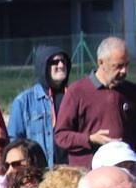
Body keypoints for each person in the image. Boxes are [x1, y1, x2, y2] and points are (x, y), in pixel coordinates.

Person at [55, 37, 136, 169]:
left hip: (125, 175)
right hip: (89, 175)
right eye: (118, 66)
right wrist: (90, 139)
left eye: (127, 65)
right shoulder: (77, 91)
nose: (124, 71)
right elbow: (61, 136)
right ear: (101, 62)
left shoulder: (131, 91)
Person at [9, 47, 71, 165]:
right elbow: (14, 142)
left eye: (63, 61)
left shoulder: (75, 96)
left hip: (71, 171)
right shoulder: (24, 101)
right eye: (55, 62)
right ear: (44, 66)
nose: (61, 65)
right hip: (40, 172)